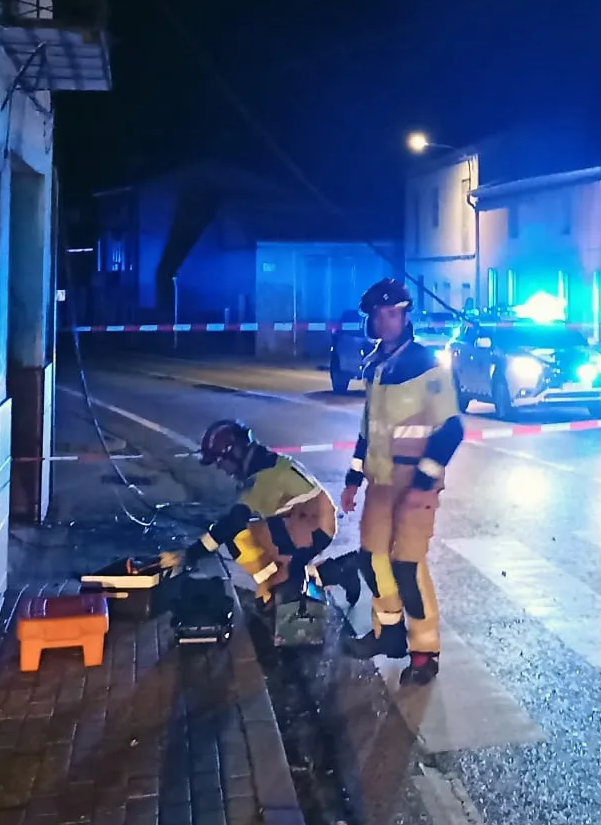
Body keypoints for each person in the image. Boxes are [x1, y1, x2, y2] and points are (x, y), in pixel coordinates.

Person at [340, 277, 464, 685]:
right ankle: (388, 633)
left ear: (405, 315)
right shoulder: (376, 366)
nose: (385, 321)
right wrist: (353, 478)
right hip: (380, 480)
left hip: (415, 483)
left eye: (392, 314)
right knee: (372, 559)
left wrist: (424, 484)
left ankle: (425, 653)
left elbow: (451, 429)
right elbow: (368, 430)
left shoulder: (427, 364)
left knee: (406, 567)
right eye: (378, 315)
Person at [161, 419, 341, 615]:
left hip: (312, 528)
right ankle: (308, 574)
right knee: (246, 535)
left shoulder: (262, 477)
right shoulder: (266, 462)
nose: (221, 468)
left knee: (270, 598)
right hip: (308, 523)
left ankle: (300, 584)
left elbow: (231, 523)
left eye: (220, 461)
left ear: (234, 453)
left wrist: (189, 555)